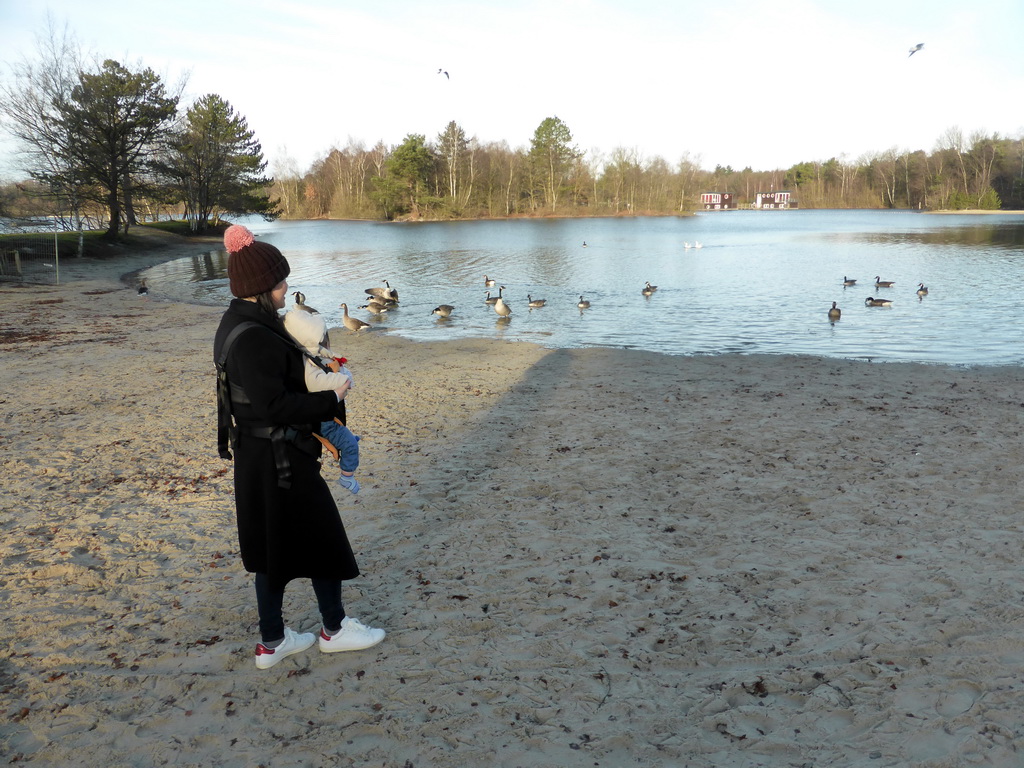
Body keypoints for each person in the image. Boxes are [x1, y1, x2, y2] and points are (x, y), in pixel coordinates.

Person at [213, 224, 384, 670]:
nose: (286, 288)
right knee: (323, 538)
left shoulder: (240, 323)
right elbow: (274, 405)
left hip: (259, 458)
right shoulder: (253, 336)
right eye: (280, 281)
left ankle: (273, 642)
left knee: (272, 548)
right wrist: (333, 397)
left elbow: (265, 395)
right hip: (280, 458)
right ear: (260, 288)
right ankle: (335, 629)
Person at [282, 308, 361, 494]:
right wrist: (341, 378)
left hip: (324, 416)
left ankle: (345, 440)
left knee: (347, 437)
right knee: (351, 446)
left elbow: (324, 361)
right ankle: (347, 477)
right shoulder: (307, 363)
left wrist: (335, 365)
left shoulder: (308, 355)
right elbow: (316, 382)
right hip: (324, 422)